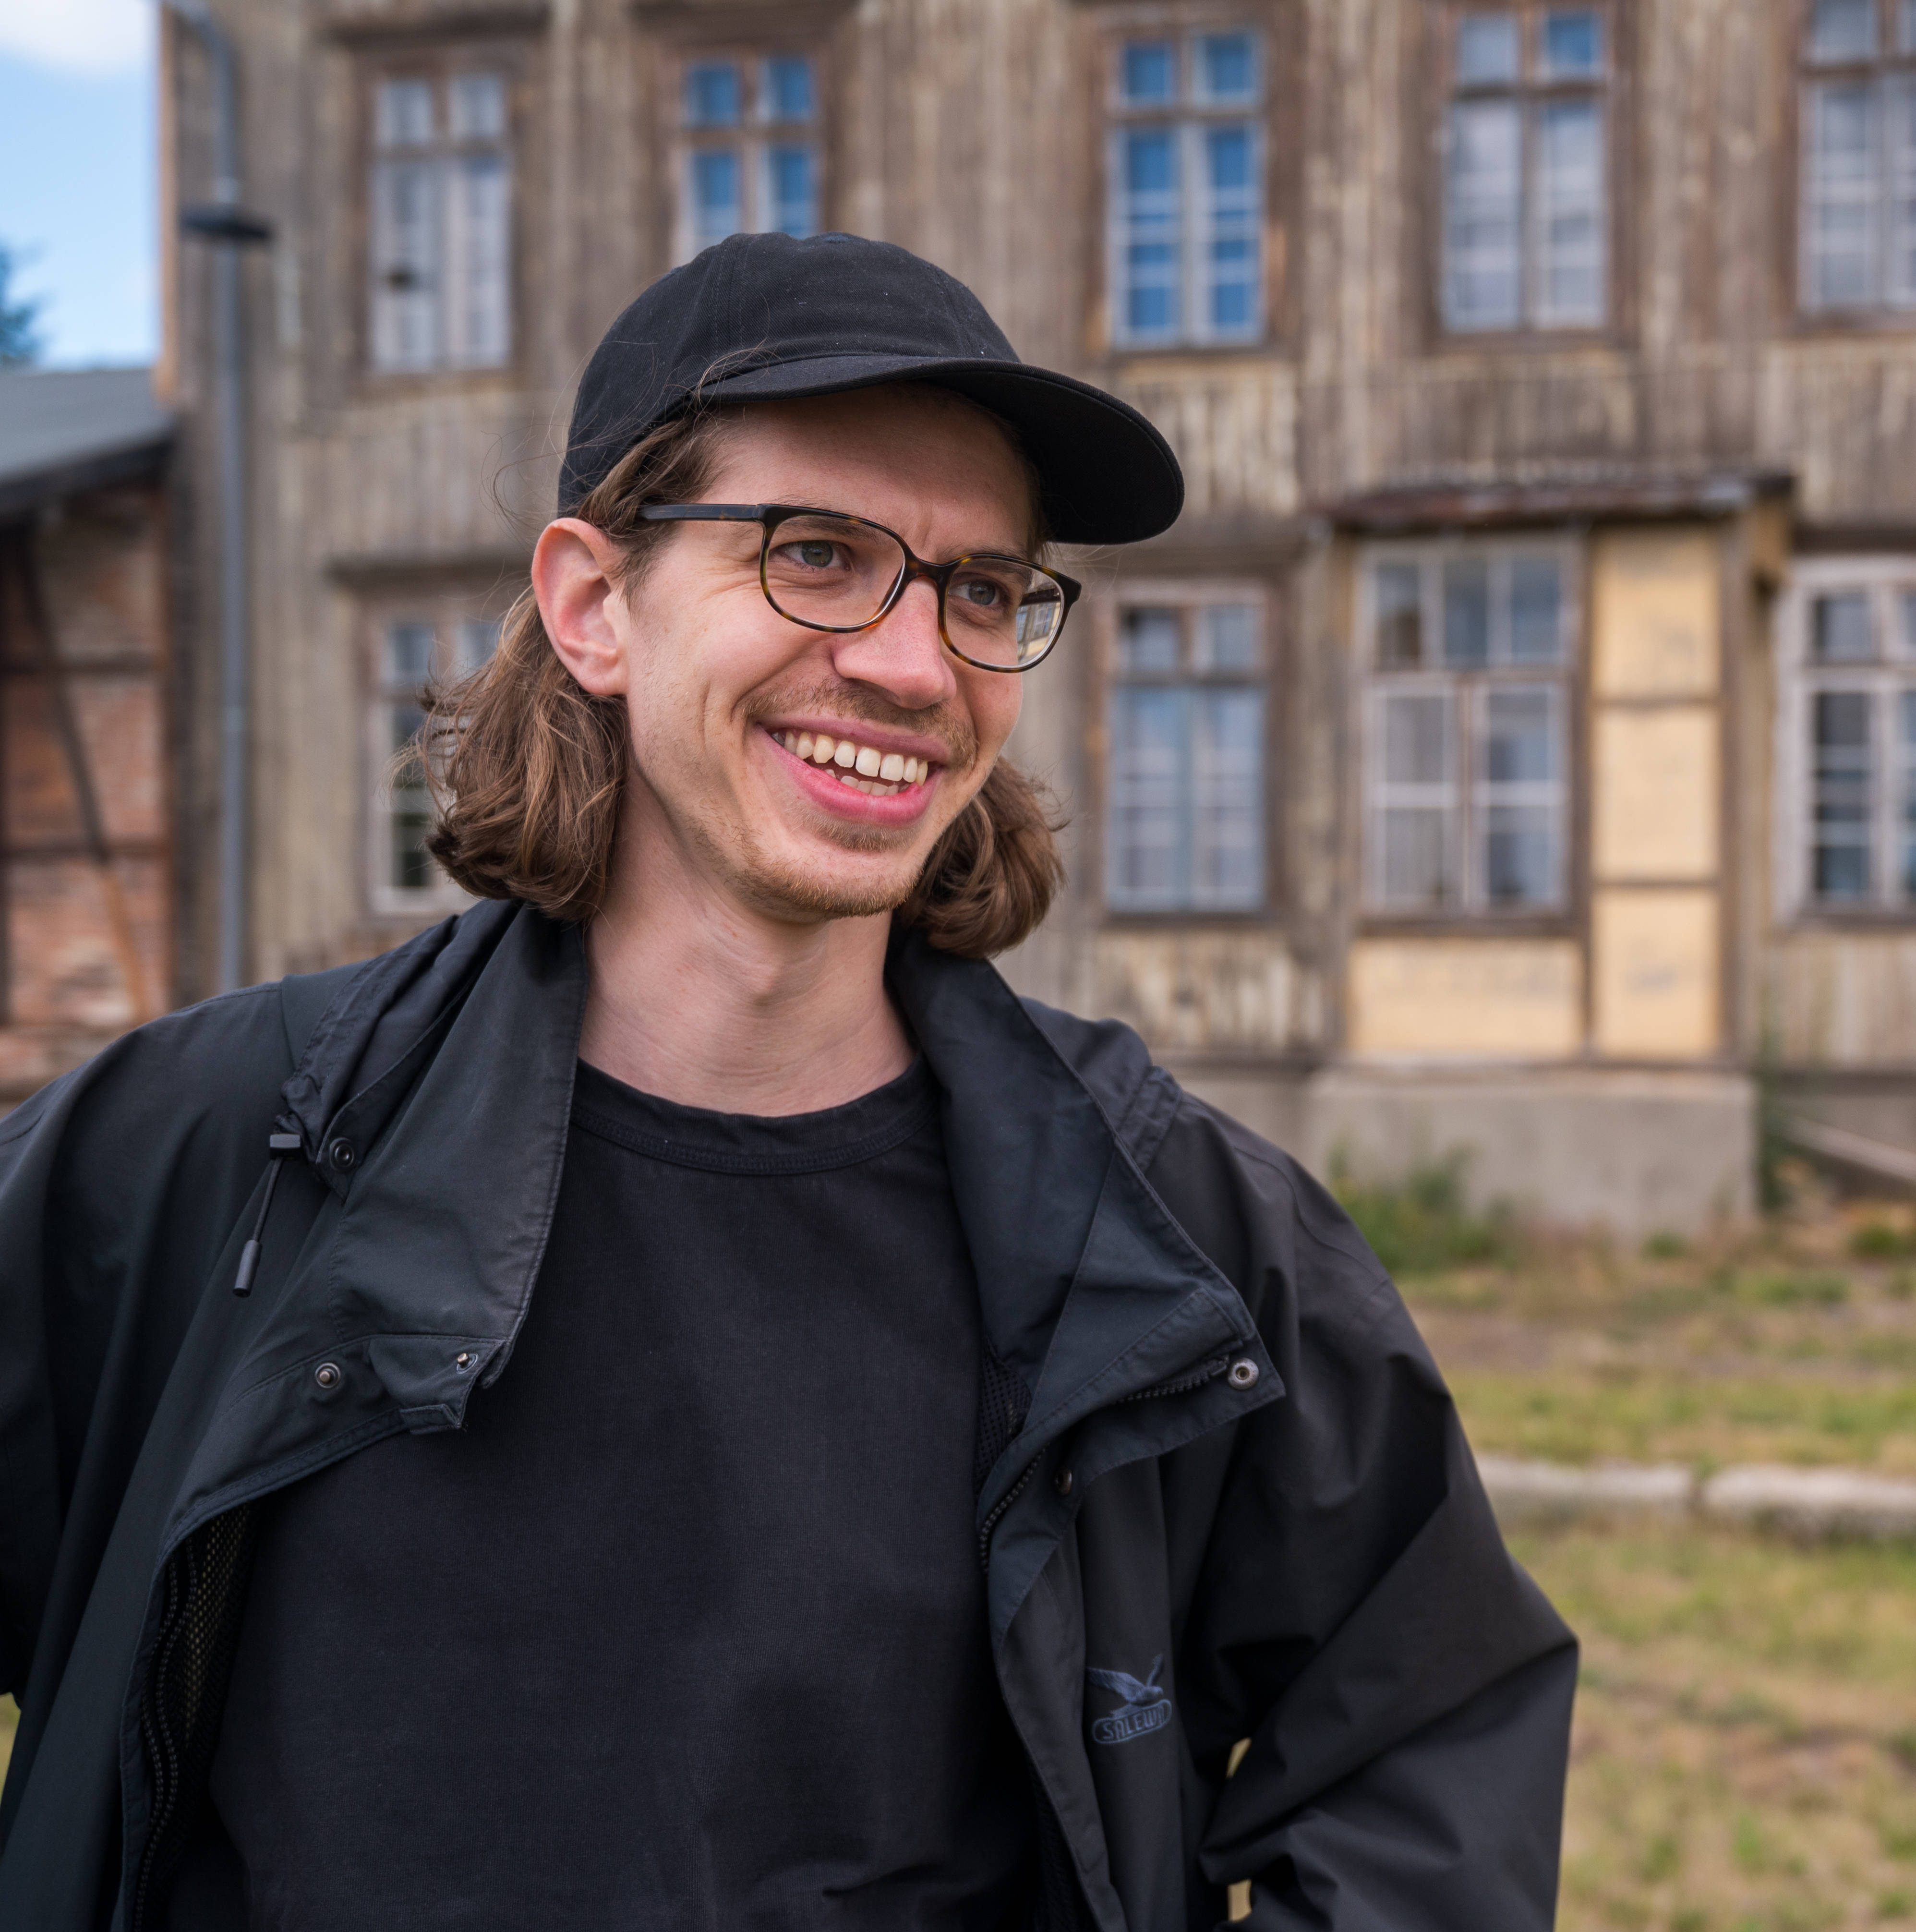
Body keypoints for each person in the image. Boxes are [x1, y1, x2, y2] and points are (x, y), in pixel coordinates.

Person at [0, 231, 1574, 1932]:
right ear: (595, 607)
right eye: (817, 554)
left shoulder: (1168, 1241)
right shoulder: (217, 1156)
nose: (915, 665)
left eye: (982, 589)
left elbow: (1433, 1743)